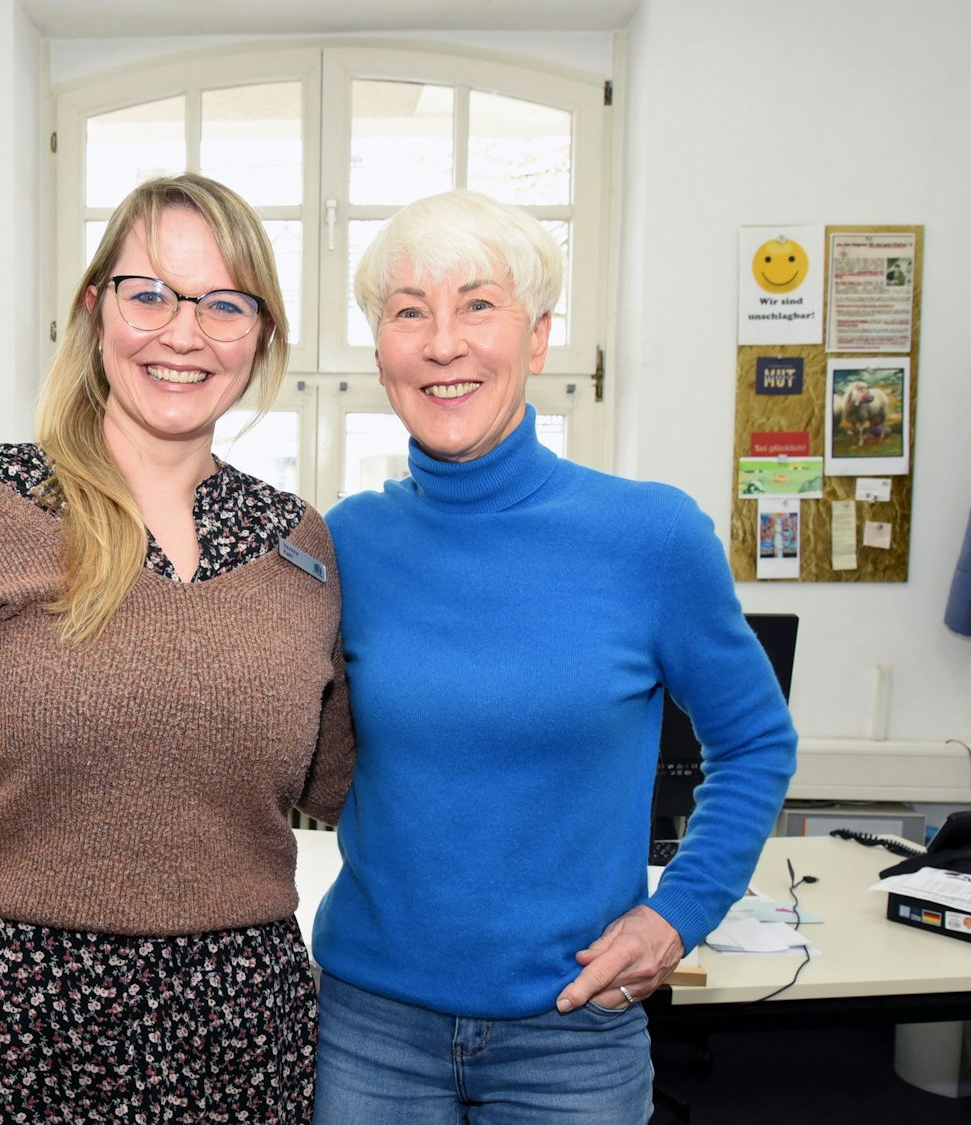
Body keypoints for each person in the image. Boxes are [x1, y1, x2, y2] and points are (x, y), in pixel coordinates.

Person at [0, 172, 353, 1125]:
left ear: (261, 336)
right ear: (96, 308)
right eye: (149, 292)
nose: (183, 332)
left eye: (223, 304)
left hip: (239, 1030)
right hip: (7, 1021)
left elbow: (340, 778)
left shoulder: (300, 544)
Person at [311, 190, 798, 1124]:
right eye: (410, 310)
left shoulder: (651, 536)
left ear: (537, 340)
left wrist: (677, 913)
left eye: (479, 304)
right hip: (369, 1030)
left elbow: (756, 744)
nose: (444, 342)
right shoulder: (345, 544)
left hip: (574, 1028)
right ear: (381, 354)